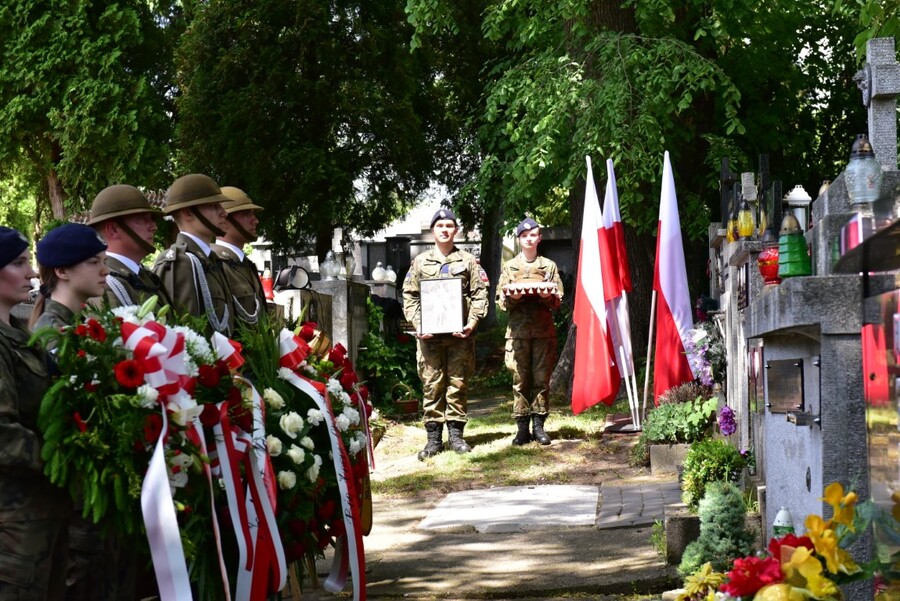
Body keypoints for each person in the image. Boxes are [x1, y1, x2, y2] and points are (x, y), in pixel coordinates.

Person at [0, 226, 71, 601]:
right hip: (13, 526)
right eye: (17, 263)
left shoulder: (17, 334)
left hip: (43, 515)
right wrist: (64, 457)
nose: (30, 273)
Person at [402, 208, 488, 460]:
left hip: (459, 335)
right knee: (431, 384)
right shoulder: (420, 262)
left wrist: (471, 323)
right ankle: (433, 440)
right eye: (440, 226)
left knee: (457, 383)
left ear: (456, 231)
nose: (445, 230)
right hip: (429, 338)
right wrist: (419, 325)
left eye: (449, 226)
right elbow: (410, 296)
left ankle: (457, 436)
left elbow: (479, 294)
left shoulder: (468, 261)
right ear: (433, 231)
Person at [496, 217, 563, 445]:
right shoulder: (510, 267)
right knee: (520, 380)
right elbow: (501, 302)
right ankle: (522, 427)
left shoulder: (549, 266)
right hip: (517, 334)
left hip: (543, 332)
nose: (529, 239)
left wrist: (548, 297)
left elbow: (558, 300)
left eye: (533, 235)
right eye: (524, 236)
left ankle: (539, 426)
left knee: (541, 379)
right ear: (519, 239)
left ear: (539, 238)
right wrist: (511, 299)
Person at [152, 174, 235, 336]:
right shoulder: (178, 263)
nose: (224, 213)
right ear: (188, 213)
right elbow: (185, 335)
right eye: (213, 206)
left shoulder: (212, 260)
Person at [88, 184, 173, 308]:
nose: (154, 227)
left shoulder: (146, 277)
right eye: (141, 220)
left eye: (151, 220)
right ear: (113, 230)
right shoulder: (105, 284)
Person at [30, 223, 109, 332]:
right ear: (62, 271)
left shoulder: (74, 322)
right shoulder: (54, 333)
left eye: (104, 262)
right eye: (94, 262)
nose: (106, 271)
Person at [211, 186, 268, 328]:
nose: (255, 220)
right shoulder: (214, 263)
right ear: (224, 220)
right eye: (246, 214)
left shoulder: (244, 263)